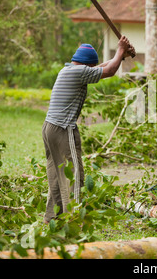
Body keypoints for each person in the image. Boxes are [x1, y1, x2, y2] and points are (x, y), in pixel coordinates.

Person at [42, 36, 134, 224]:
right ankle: (74, 218)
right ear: (86, 65)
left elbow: (101, 67)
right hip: (62, 129)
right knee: (75, 173)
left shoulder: (68, 70)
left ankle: (52, 217)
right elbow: (108, 70)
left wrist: (121, 54)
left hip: (48, 128)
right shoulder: (79, 72)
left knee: (56, 173)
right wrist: (120, 49)